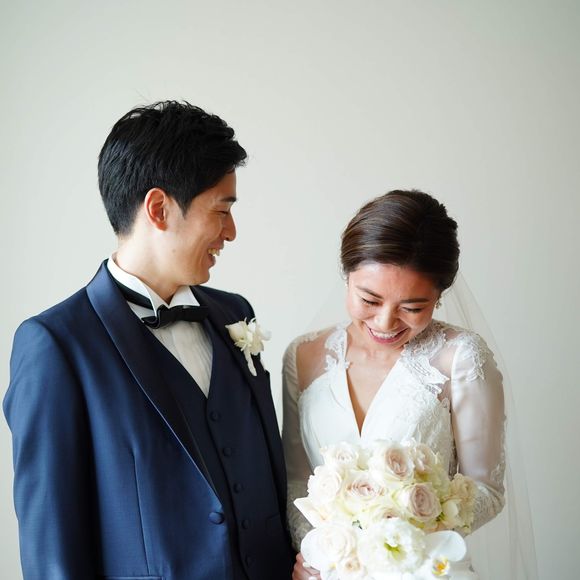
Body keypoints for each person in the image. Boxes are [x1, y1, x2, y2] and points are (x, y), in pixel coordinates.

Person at [4, 101, 294, 580]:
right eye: (222, 210)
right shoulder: (56, 345)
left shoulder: (235, 314)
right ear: (159, 208)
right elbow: (52, 549)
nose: (231, 232)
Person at [282, 190, 506, 579]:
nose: (386, 322)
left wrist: (402, 542)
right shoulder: (302, 355)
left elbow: (486, 489)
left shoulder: (461, 358)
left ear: (439, 296)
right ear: (347, 276)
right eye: (369, 299)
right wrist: (322, 554)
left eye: (413, 307)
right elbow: (298, 481)